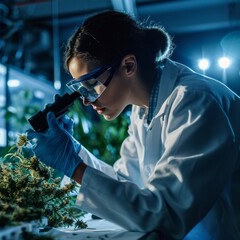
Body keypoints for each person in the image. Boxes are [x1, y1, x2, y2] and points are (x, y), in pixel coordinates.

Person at [27, 10, 240, 239]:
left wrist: (74, 167)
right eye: (80, 90)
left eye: (91, 85)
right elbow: (127, 183)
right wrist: (74, 152)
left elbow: (165, 213)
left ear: (128, 66)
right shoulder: (142, 110)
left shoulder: (195, 101)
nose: (87, 101)